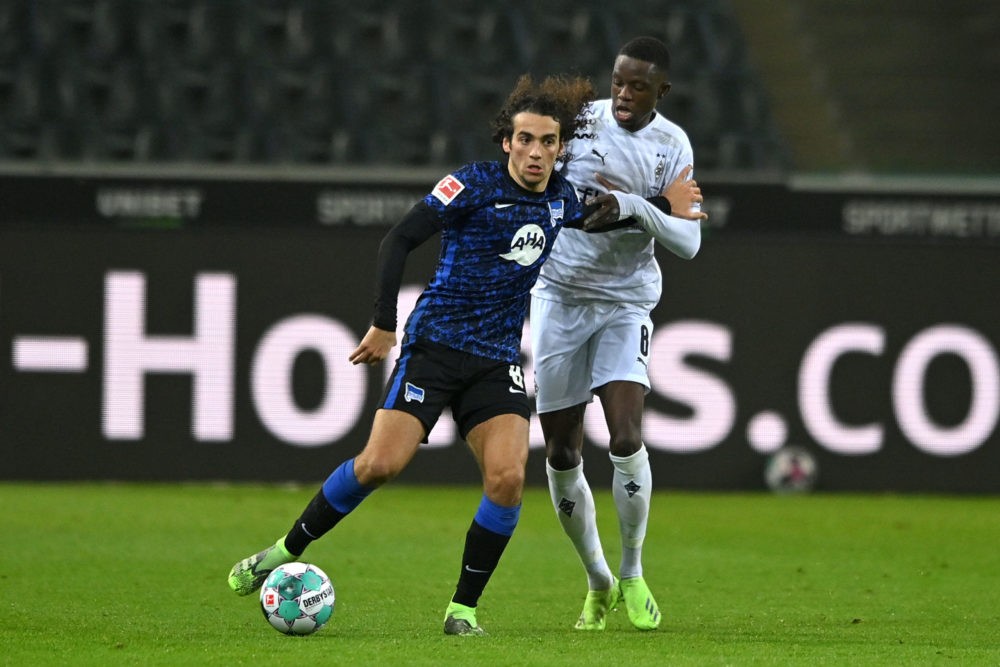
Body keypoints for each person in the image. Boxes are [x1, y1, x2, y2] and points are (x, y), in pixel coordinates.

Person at [227, 73, 611, 637]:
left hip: (496, 360)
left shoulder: (563, 199)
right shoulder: (469, 186)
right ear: (507, 141)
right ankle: (284, 550)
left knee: (507, 480)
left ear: (559, 149)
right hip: (434, 347)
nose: (536, 152)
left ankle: (462, 612)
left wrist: (664, 203)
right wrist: (385, 323)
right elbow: (398, 239)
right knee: (380, 465)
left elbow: (612, 213)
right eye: (525, 139)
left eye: (548, 142)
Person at [529, 36, 708, 632]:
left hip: (626, 303)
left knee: (626, 437)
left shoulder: (673, 144)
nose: (624, 95)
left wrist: (636, 207)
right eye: (618, 82)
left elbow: (688, 242)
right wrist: (654, 204)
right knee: (560, 452)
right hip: (558, 298)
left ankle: (632, 570)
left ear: (663, 90)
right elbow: (550, 195)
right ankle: (597, 578)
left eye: (638, 86)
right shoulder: (577, 126)